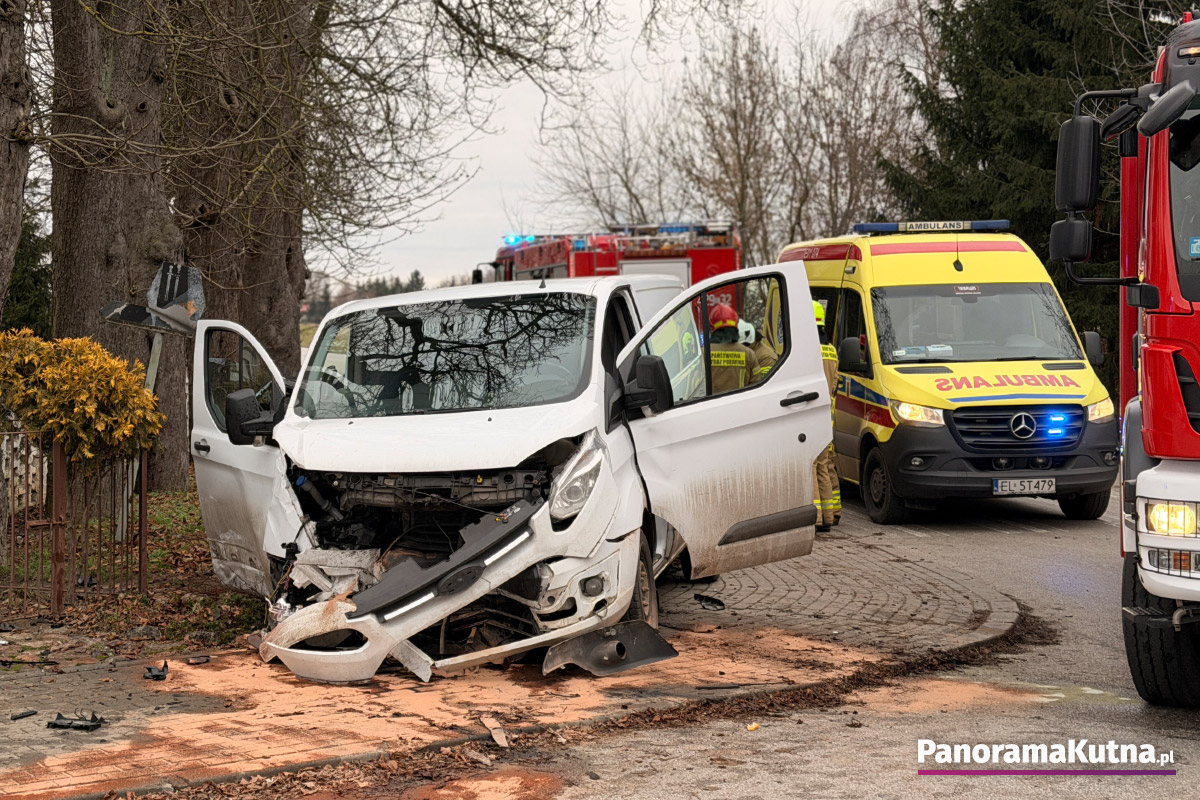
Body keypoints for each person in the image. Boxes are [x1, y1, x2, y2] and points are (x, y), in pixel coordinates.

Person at [813, 299, 841, 530]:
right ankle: (832, 514)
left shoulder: (808, 351)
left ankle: (818, 518)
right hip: (828, 417)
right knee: (827, 464)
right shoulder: (831, 350)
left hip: (811, 416)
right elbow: (835, 384)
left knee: (813, 465)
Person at [708, 303, 760, 394]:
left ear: (711, 327)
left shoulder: (703, 354)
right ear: (736, 326)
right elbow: (757, 386)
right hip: (741, 402)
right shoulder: (749, 354)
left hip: (708, 403)